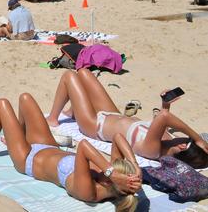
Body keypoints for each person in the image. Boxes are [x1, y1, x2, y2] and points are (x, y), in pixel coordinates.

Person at [0, 93, 140, 211]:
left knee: (2, 104)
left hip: (28, 159)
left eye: (109, 173)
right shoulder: (109, 177)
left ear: (113, 183)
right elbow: (117, 137)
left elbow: (84, 147)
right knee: (25, 99)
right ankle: (16, 137)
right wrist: (134, 166)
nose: (105, 169)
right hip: (49, 146)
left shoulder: (90, 191)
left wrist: (110, 171)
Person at [45, 69, 208, 168]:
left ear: (181, 147)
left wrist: (197, 138)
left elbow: (164, 118)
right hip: (113, 115)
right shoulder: (169, 141)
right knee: (84, 73)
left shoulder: (153, 150)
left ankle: (53, 118)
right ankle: (70, 112)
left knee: (69, 76)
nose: (185, 138)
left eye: (188, 141)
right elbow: (162, 117)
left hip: (94, 125)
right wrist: (165, 103)